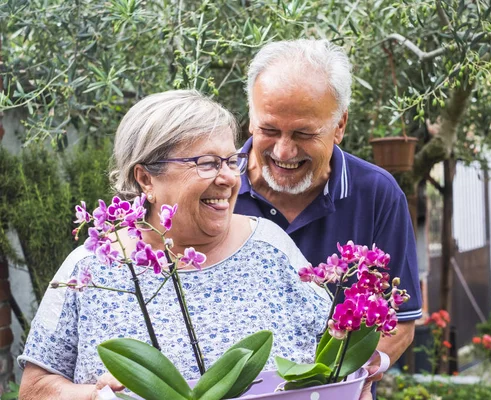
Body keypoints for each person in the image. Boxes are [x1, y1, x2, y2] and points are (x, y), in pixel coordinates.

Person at [18, 90, 330, 399]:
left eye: (231, 161)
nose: (228, 179)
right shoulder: (89, 268)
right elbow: (34, 390)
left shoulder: (270, 248)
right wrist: (92, 396)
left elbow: (338, 355)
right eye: (207, 163)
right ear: (145, 179)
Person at [234, 39, 423, 388]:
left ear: (340, 126)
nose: (283, 150)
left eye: (304, 133)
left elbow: (400, 323)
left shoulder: (378, 195)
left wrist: (358, 378)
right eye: (269, 129)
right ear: (250, 119)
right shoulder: (215, 190)